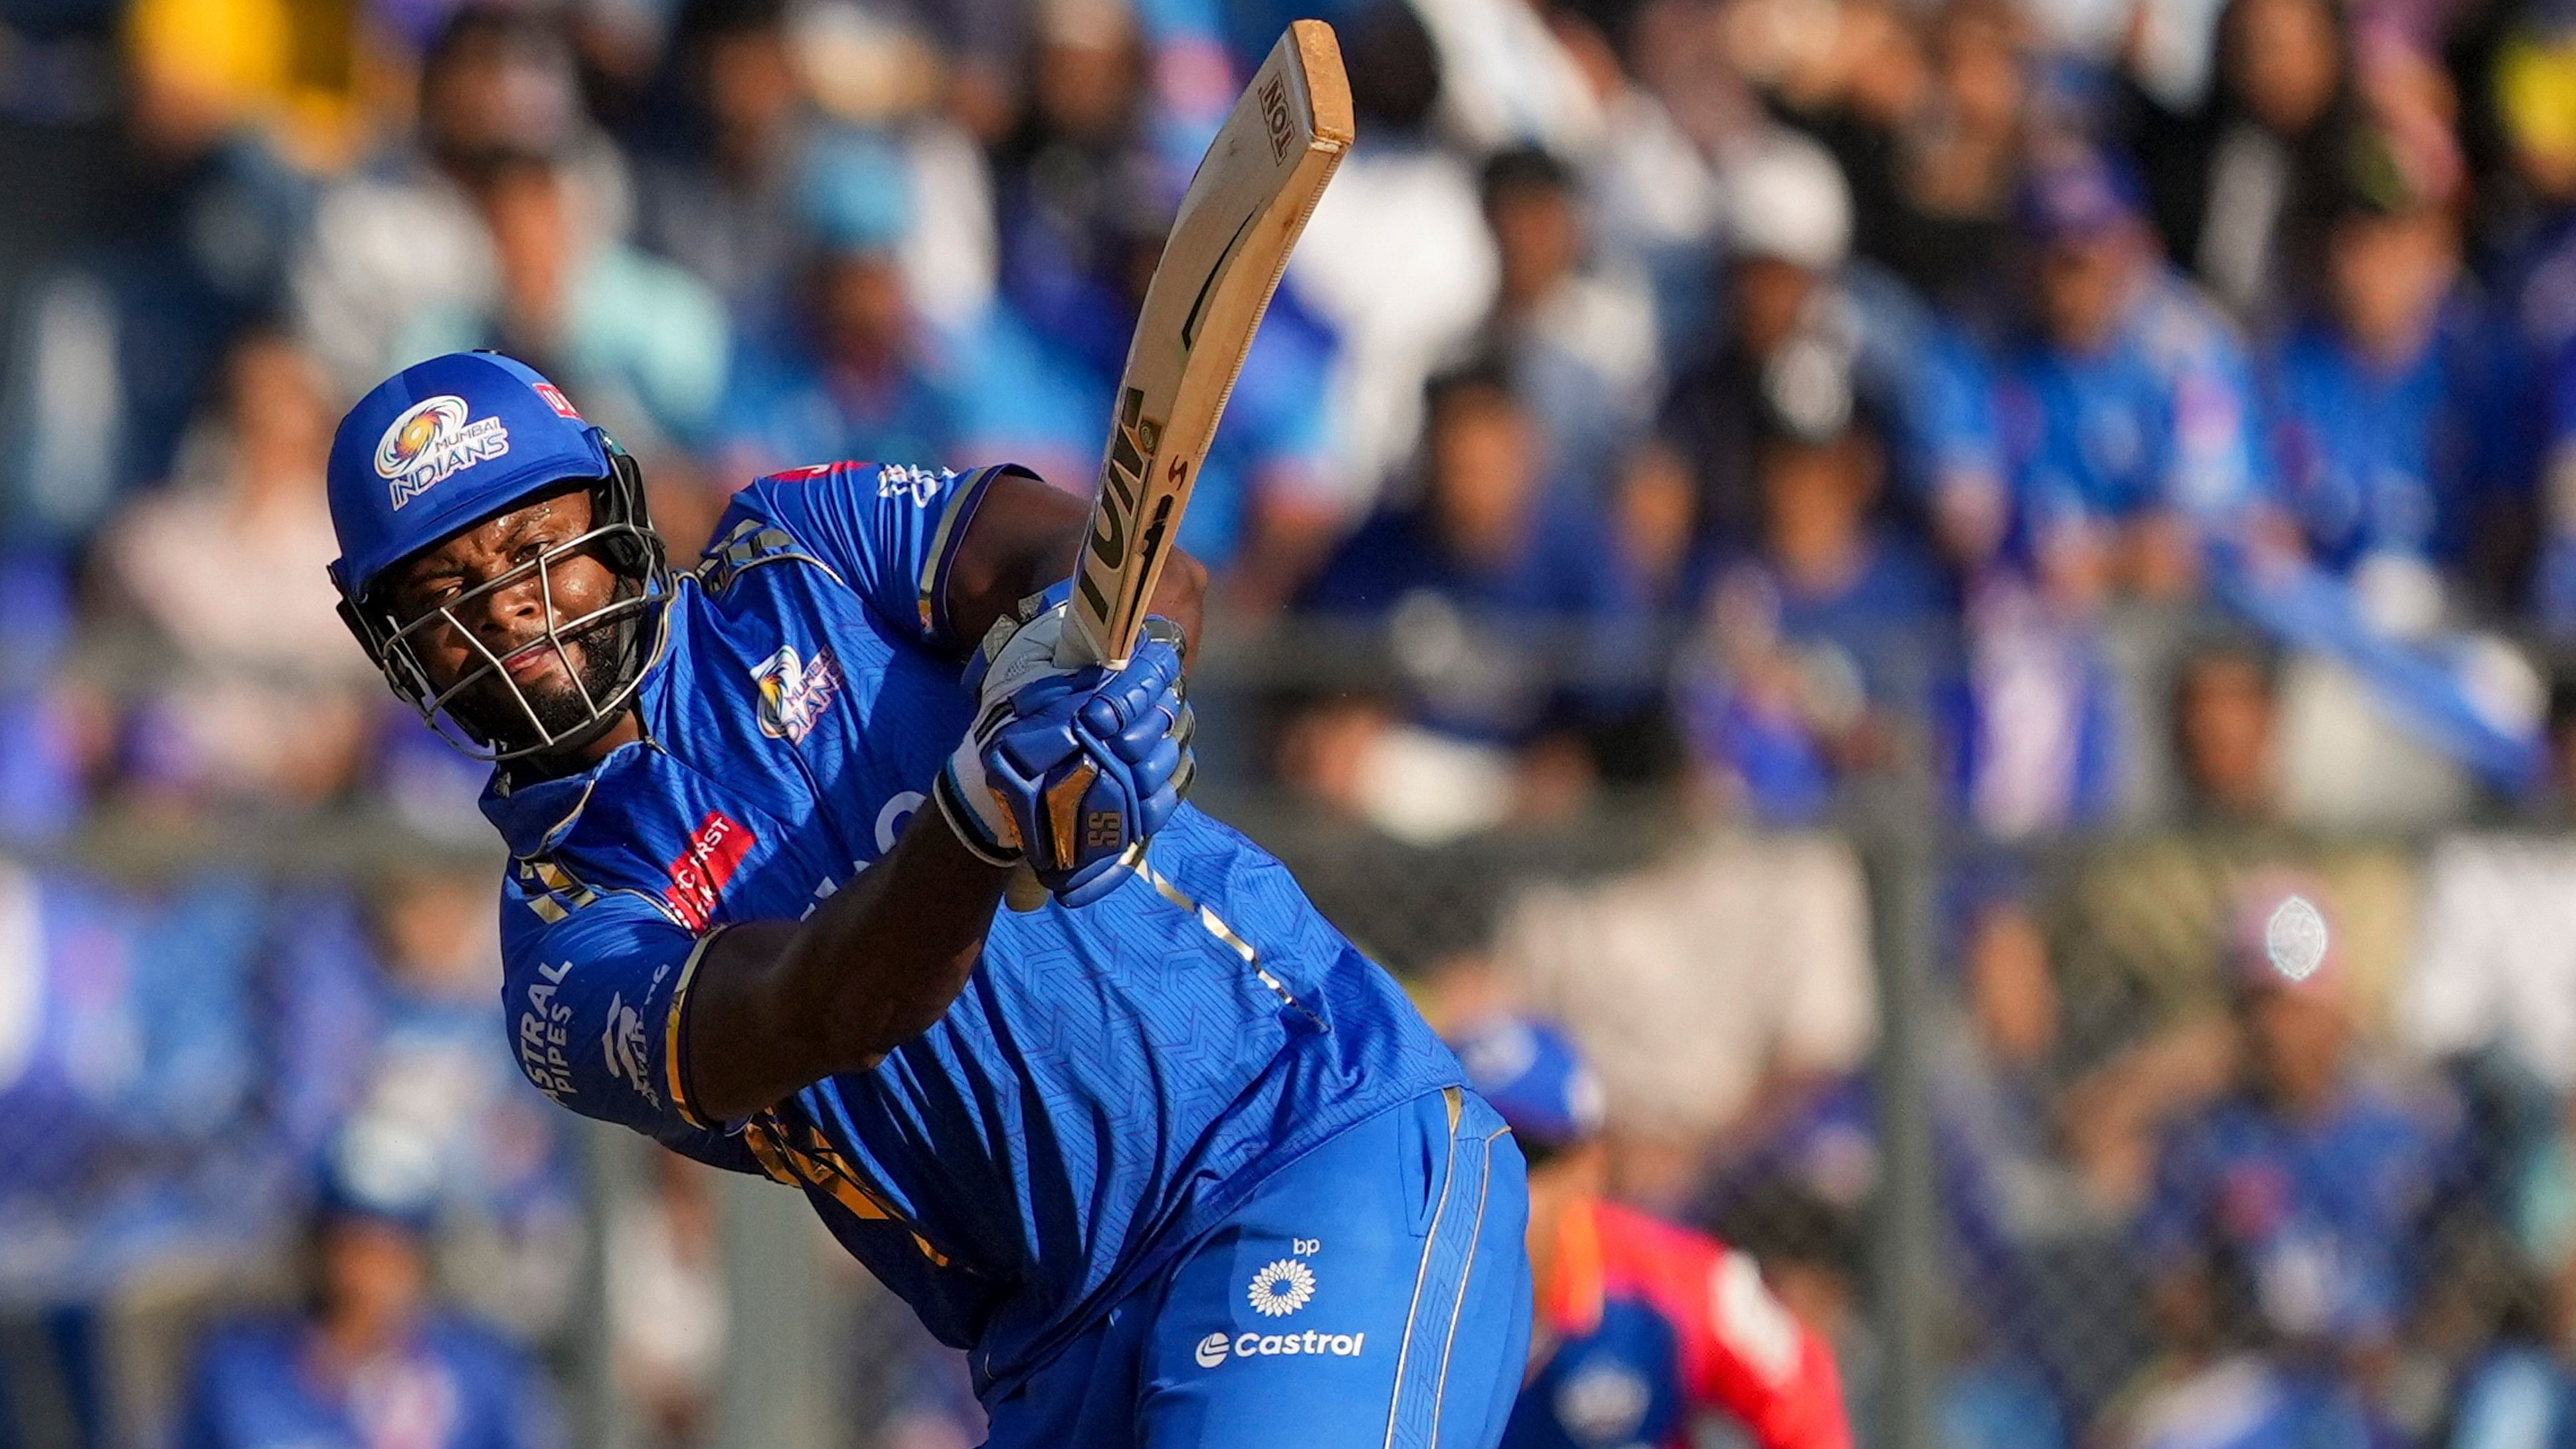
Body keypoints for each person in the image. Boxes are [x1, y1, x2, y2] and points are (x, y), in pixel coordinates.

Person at [319, 351, 1531, 1447]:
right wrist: (978, 805)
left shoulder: (796, 545)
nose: (507, 601)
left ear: (616, 513)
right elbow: (818, 1004)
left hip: (1294, 1131)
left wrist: (1096, 659)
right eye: (443, 588)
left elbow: (1090, 555)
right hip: (1050, 1339)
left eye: (537, 538)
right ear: (393, 646)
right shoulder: (558, 951)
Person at [1444, 1015, 1852, 1449]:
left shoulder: (1669, 1280)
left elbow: (1800, 1388)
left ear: (1589, 1167)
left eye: (1527, 1155)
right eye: (1464, 1150)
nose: (1497, 1178)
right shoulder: (1384, 1282)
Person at [175, 1134, 561, 1449]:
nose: (370, 1273)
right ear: (317, 1249)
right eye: (352, 1246)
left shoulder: (479, 1375)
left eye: (393, 1251)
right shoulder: (239, 1375)